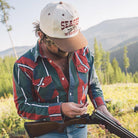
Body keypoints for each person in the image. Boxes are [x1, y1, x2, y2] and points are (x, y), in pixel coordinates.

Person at [13, 1, 120, 138]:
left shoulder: (83, 52)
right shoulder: (24, 65)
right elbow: (23, 107)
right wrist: (60, 109)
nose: (70, 49)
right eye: (62, 44)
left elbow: (93, 84)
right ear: (41, 35)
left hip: (80, 130)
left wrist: (101, 107)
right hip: (48, 133)